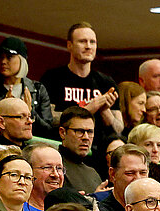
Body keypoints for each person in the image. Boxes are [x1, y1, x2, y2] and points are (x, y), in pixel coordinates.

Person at [40, 22, 120, 152]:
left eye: (92, 42)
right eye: (82, 41)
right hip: (62, 149)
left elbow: (119, 129)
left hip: (97, 152)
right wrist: (88, 109)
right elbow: (48, 120)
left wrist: (105, 110)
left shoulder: (106, 82)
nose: (88, 46)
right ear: (69, 45)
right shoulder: (52, 78)